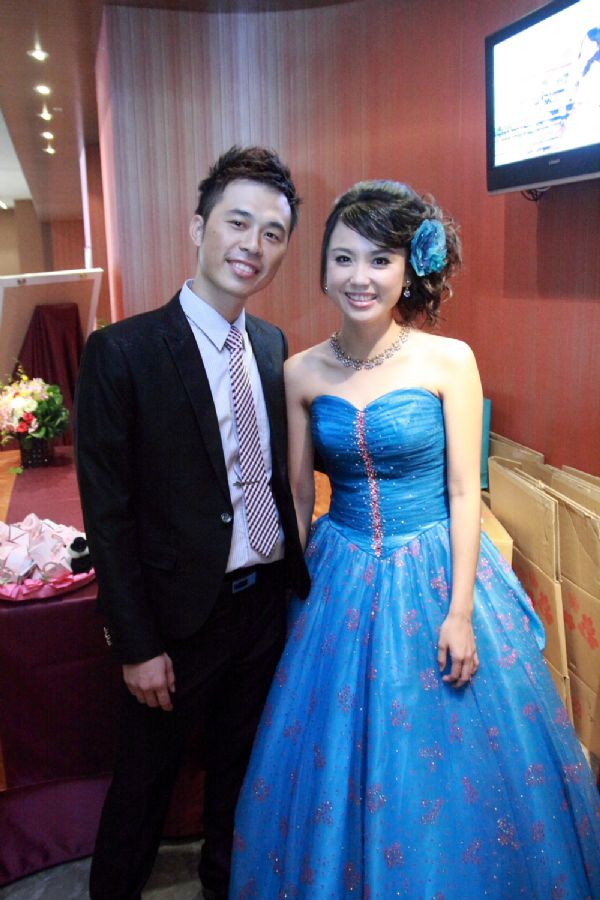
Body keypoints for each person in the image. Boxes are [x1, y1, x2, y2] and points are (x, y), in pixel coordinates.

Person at [229, 180, 600, 898]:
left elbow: (464, 492)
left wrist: (460, 612)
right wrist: (286, 598)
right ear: (323, 268)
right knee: (330, 754)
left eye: (379, 260)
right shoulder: (300, 370)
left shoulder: (448, 360)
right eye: (343, 259)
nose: (359, 277)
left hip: (435, 567)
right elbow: (299, 496)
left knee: (454, 765)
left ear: (407, 271)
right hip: (339, 569)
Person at [74, 145, 310, 900]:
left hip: (262, 605)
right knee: (143, 789)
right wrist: (136, 644)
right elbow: (108, 515)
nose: (253, 245)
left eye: (273, 233)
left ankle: (223, 889)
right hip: (175, 624)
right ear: (198, 227)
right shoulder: (122, 351)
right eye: (238, 223)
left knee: (242, 780)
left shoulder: (271, 346)